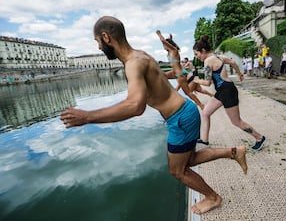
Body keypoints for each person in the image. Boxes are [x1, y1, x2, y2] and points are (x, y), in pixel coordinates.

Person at [60, 16, 248, 215]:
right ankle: (234, 152)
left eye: (97, 41)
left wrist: (87, 116)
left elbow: (135, 106)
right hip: (184, 112)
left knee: (178, 171)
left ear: (106, 37)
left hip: (180, 118)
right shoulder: (141, 55)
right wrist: (174, 56)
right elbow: (163, 77)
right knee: (188, 159)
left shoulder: (133, 63)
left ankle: (213, 197)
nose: (98, 47)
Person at [193, 35, 267, 151]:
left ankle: (259, 137)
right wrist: (239, 74)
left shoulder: (208, 61)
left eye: (197, 54)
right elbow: (232, 62)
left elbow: (207, 83)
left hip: (227, 92)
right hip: (223, 91)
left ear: (202, 51)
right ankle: (204, 140)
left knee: (236, 121)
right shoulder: (219, 57)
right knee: (206, 113)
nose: (197, 57)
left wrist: (196, 80)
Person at [156, 30, 205, 110]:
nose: (163, 47)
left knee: (188, 92)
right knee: (160, 75)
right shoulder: (169, 51)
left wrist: (159, 34)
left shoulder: (174, 51)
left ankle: (201, 105)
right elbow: (165, 42)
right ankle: (167, 92)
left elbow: (164, 41)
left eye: (164, 45)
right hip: (174, 72)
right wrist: (170, 38)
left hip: (179, 74)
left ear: (168, 45)